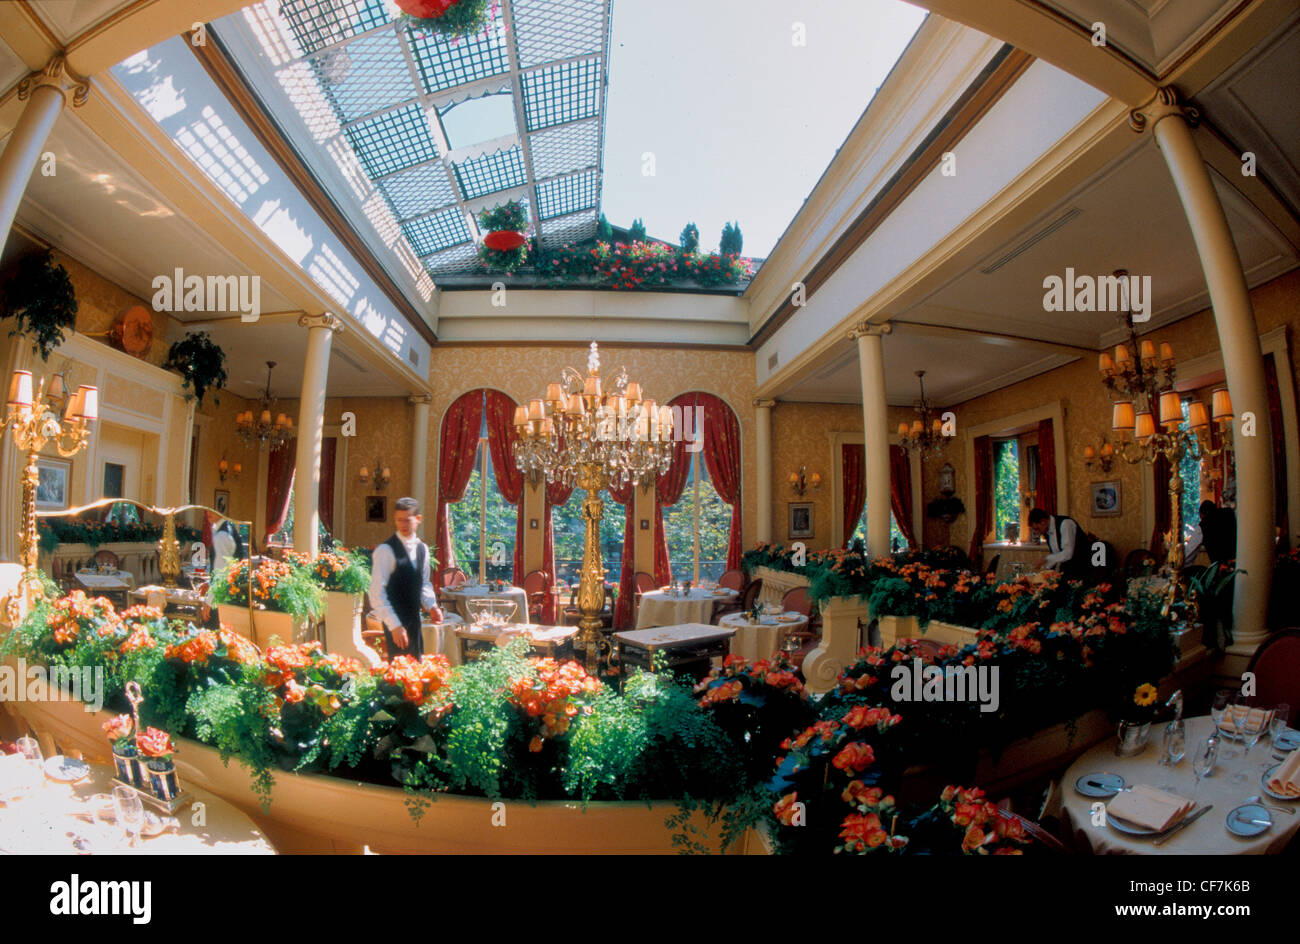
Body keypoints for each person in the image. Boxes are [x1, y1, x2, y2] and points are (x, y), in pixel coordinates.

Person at [369, 497, 443, 659]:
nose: (402, 525)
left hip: (414, 621)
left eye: (407, 520)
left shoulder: (422, 549)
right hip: (394, 621)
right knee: (398, 675)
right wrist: (394, 626)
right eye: (399, 520)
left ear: (418, 520)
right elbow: (376, 593)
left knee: (417, 670)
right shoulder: (386, 550)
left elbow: (423, 583)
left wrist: (432, 606)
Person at [1027, 507, 1091, 578]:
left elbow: (1068, 553)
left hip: (1083, 568)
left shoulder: (1065, 524)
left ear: (1043, 522)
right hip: (1067, 571)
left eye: (1037, 529)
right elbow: (1057, 554)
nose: (1038, 532)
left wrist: (1046, 559)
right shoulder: (1046, 530)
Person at [1185, 500, 1237, 565]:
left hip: (1221, 566)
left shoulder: (1204, 525)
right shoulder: (1230, 513)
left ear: (1202, 514)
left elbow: (1190, 552)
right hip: (1239, 560)